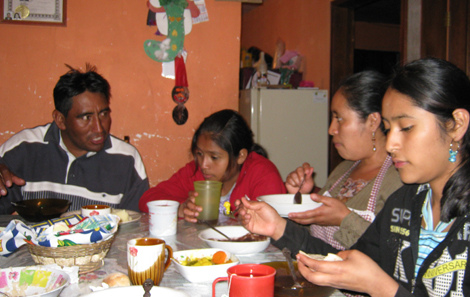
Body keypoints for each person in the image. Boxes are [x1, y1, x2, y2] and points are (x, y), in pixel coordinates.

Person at [241, 57, 470, 297]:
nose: (391, 144)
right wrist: (279, 227)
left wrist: (380, 286)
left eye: (407, 127)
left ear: (457, 124)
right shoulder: (407, 203)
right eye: (389, 130)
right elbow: (344, 261)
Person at [0, 64, 149, 214]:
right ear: (60, 120)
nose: (99, 128)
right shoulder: (23, 149)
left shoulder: (126, 160)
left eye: (104, 114)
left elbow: (134, 227)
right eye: (86, 117)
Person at [285, 70, 402, 250]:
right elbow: (309, 238)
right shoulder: (343, 169)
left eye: (339, 118)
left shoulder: (399, 178)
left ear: (372, 121)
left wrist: (344, 219)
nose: (332, 129)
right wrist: (301, 198)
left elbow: (391, 251)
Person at [139, 109, 286, 220]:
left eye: (214, 157)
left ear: (241, 156)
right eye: (200, 154)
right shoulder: (195, 171)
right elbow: (146, 199)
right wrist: (180, 207)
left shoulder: (263, 174)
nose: (204, 165)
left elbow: (275, 225)